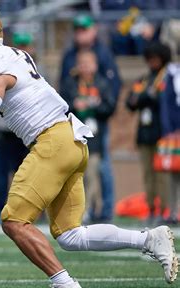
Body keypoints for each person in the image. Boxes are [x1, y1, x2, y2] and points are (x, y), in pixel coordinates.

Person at [0, 5, 178, 288]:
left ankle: (64, 285)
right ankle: (147, 240)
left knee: (13, 220)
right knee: (71, 234)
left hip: (52, 140)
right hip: (71, 138)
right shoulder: (13, 54)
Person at [60, 13, 120, 223]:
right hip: (76, 124)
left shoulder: (103, 53)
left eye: (84, 29)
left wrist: (99, 108)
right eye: (77, 29)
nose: (81, 34)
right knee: (77, 168)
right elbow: (63, 89)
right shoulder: (69, 56)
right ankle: (81, 209)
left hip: (98, 124)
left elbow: (111, 88)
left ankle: (105, 209)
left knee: (101, 166)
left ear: (93, 30)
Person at [126, 42, 171, 225]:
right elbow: (131, 102)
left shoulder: (168, 78)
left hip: (163, 133)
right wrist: (146, 96)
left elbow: (161, 99)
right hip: (145, 133)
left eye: (156, 58)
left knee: (162, 175)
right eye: (150, 59)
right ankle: (152, 209)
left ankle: (165, 209)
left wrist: (143, 98)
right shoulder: (144, 79)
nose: (152, 62)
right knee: (148, 174)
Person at [161, 62, 180, 224]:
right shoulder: (172, 73)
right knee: (174, 174)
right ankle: (174, 210)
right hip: (175, 132)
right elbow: (166, 103)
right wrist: (170, 130)